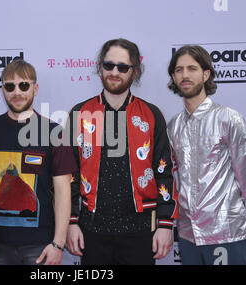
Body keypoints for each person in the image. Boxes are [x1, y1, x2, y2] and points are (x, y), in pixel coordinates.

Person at [66, 38, 178, 265]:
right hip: (92, 231)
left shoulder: (151, 114)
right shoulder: (81, 113)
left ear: (134, 72)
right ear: (100, 67)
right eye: (109, 65)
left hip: (140, 232)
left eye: (123, 67)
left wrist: (165, 224)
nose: (114, 72)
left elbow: (164, 172)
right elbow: (69, 175)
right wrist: (71, 222)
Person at [166, 45, 246, 265]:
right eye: (179, 70)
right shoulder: (173, 126)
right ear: (173, 77)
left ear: (206, 74)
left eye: (192, 68)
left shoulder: (228, 118)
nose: (185, 75)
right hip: (187, 235)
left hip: (226, 232)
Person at [0, 60, 77, 265]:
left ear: (35, 88)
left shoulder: (54, 133)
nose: (17, 92)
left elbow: (63, 192)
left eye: (24, 85)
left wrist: (58, 244)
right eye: (10, 86)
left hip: (40, 246)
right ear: (2, 89)